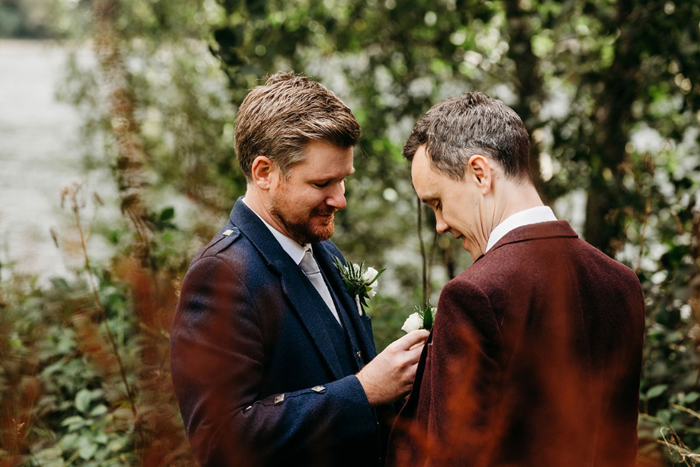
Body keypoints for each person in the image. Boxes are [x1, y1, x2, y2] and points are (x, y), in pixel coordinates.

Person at [169, 72, 428, 467]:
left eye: (344, 181)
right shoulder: (220, 276)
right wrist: (362, 391)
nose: (340, 200)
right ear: (264, 173)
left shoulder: (327, 252)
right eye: (323, 182)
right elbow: (218, 441)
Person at [386, 92, 645, 466]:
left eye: (437, 203)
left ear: (480, 172)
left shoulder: (475, 295)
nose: (440, 225)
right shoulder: (621, 283)